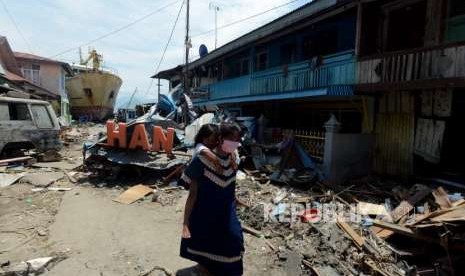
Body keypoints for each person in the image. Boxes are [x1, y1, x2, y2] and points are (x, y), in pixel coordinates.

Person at [180, 123, 244, 276]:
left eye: (237, 139)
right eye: (231, 139)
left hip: (227, 210)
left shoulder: (233, 157)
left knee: (234, 240)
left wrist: (235, 197)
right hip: (205, 211)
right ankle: (205, 269)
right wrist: (185, 222)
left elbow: (232, 183)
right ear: (220, 139)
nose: (235, 142)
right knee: (206, 243)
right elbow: (192, 193)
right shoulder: (202, 159)